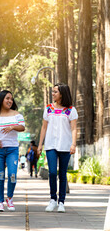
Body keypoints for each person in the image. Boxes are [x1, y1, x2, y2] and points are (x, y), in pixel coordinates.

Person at [38, 83, 78, 213]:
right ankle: (52, 200)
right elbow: (44, 127)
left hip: (65, 146)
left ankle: (61, 202)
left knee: (62, 174)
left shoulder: (71, 110)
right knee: (52, 172)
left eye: (55, 91)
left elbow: (73, 128)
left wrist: (73, 144)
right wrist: (40, 145)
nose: (53, 93)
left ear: (62, 94)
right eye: (52, 91)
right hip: (50, 145)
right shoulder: (48, 108)